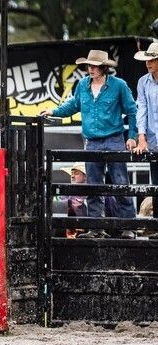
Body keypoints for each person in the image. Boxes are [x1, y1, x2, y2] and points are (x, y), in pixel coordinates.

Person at [41, 49, 138, 239]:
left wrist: (132, 136)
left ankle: (129, 226)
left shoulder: (119, 85)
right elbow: (73, 105)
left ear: (103, 68)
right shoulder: (83, 85)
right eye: (89, 65)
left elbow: (132, 111)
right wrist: (53, 111)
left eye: (94, 66)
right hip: (92, 141)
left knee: (121, 183)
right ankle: (96, 227)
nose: (91, 69)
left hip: (114, 139)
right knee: (93, 185)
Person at [132, 42, 158, 239]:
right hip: (153, 138)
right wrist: (141, 137)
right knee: (156, 182)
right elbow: (141, 109)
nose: (148, 63)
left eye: (152, 60)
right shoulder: (143, 82)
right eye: (147, 60)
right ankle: (157, 224)